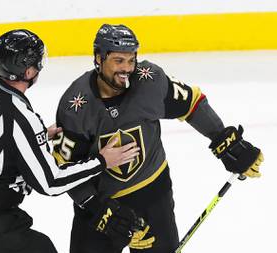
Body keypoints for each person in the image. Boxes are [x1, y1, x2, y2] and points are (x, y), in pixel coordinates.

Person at [53, 24, 264, 253]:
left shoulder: (149, 81)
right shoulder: (76, 105)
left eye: (131, 60)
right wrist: (97, 208)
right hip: (102, 203)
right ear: (98, 58)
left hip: (152, 195)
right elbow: (65, 168)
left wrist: (225, 140)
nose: (126, 69)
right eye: (118, 61)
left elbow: (192, 103)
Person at [0, 29, 141, 253]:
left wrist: (33, 136)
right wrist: (101, 161)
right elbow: (50, 182)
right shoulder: (19, 118)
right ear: (28, 71)